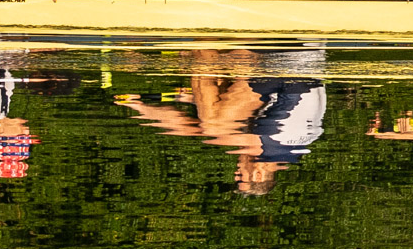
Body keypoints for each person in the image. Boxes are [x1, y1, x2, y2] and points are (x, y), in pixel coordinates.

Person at [116, 51, 329, 195]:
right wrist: (141, 109)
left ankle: (201, 65)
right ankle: (201, 52)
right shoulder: (265, 146)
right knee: (212, 125)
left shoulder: (295, 151)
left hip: (303, 70)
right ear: (258, 174)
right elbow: (202, 132)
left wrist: (200, 100)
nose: (236, 171)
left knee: (214, 112)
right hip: (286, 73)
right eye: (240, 176)